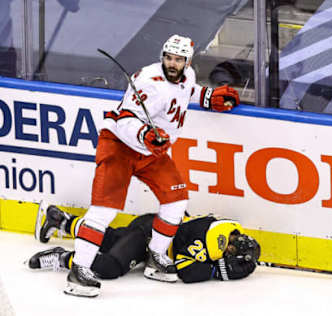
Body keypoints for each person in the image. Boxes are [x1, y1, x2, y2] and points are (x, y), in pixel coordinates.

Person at [63, 34, 240, 297]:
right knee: (104, 210)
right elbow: (124, 117)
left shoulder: (188, 75)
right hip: (120, 146)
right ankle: (79, 271)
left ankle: (156, 257)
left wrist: (208, 97)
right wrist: (144, 133)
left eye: (178, 59)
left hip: (151, 152)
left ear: (187, 61)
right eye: (168, 57)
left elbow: (186, 92)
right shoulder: (148, 80)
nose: (172, 63)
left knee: (176, 200)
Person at [28, 204, 260, 294]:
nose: (228, 255)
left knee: (110, 239)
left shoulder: (226, 226)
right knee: (111, 267)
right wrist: (218, 271)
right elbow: (185, 270)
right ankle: (63, 257)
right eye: (231, 252)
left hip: (152, 226)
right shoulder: (213, 241)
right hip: (148, 238)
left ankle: (61, 220)